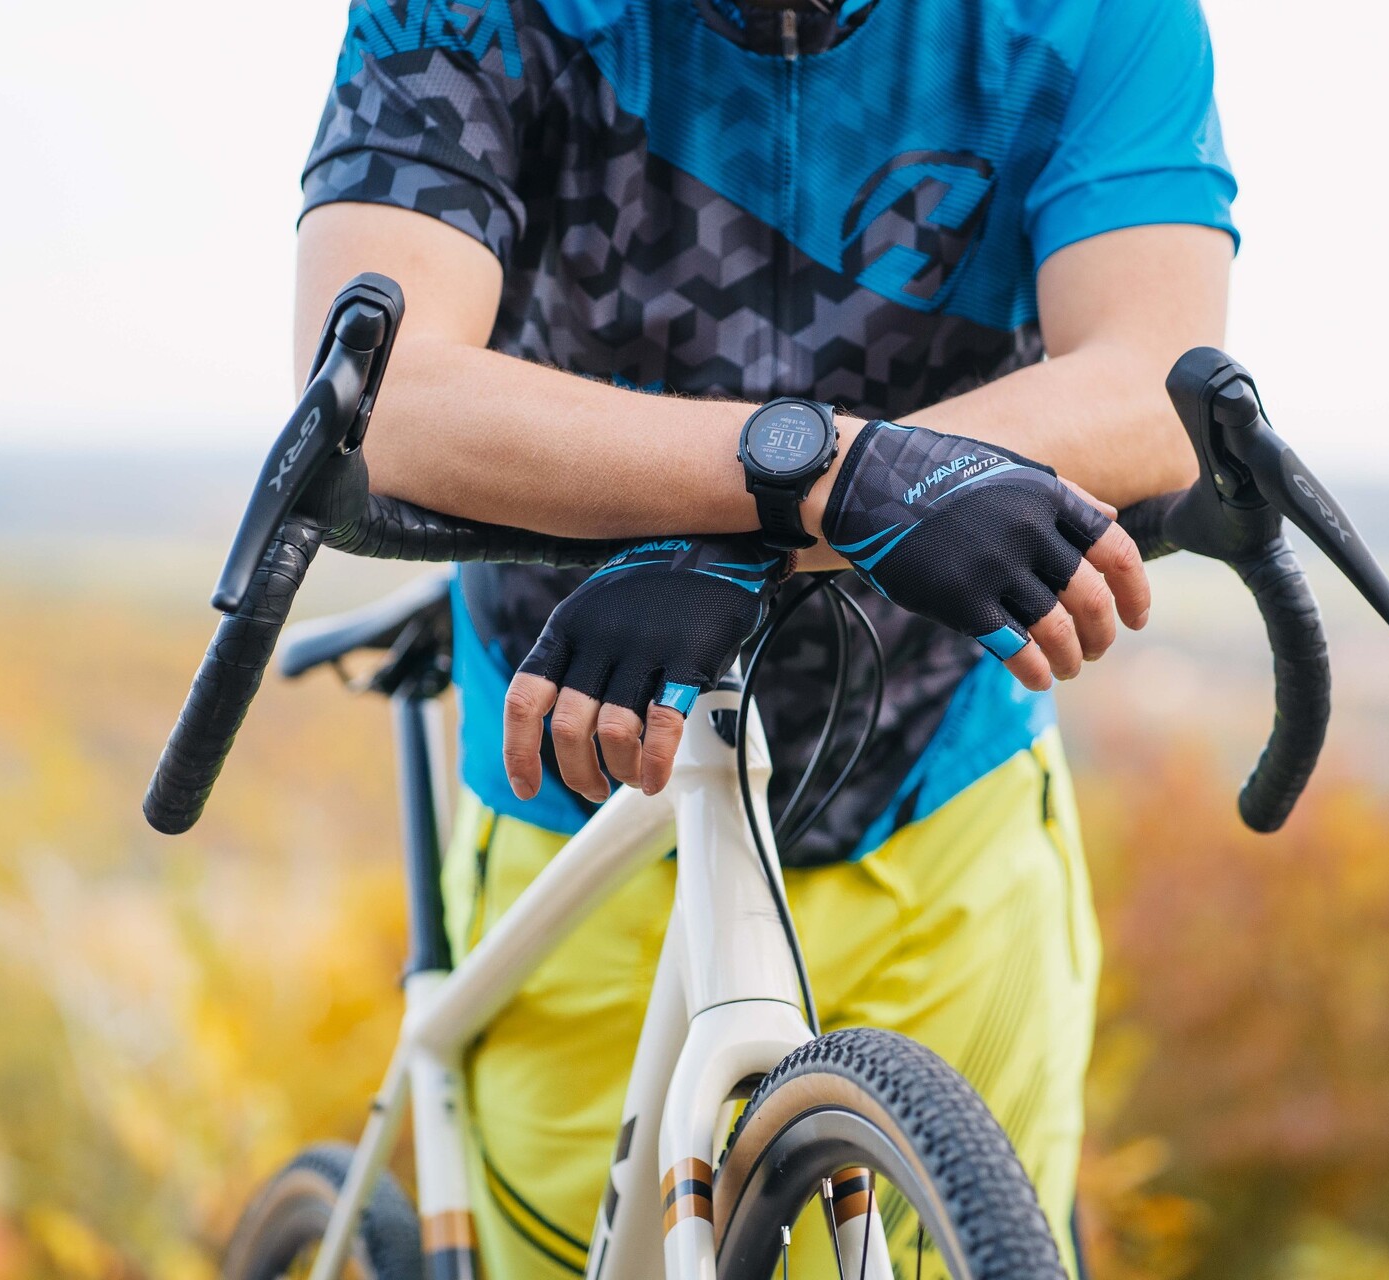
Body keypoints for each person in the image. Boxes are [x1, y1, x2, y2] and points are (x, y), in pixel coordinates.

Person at [296, 0, 1235, 1272]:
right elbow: (379, 392)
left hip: (938, 795)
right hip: (587, 786)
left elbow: (1153, 385)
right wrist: (829, 478)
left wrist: (754, 519)